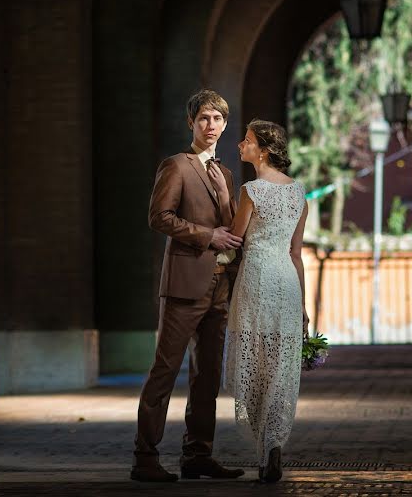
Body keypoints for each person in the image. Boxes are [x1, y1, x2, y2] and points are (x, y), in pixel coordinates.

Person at [131, 89, 246, 482]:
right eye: (203, 119)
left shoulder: (226, 173)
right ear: (191, 123)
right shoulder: (177, 166)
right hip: (184, 285)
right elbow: (159, 217)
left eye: (217, 119)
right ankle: (144, 458)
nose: (210, 126)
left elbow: (231, 227)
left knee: (208, 376)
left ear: (225, 125)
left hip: (219, 288)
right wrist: (206, 236)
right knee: (164, 371)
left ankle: (197, 455)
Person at [220, 119, 309, 483]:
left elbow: (235, 238)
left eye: (248, 141)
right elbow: (297, 252)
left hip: (256, 277)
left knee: (254, 362)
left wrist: (213, 255)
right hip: (287, 283)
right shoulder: (299, 192)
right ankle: (274, 447)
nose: (241, 145)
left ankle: (263, 446)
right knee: (281, 367)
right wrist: (303, 306)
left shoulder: (251, 191)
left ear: (264, 150)